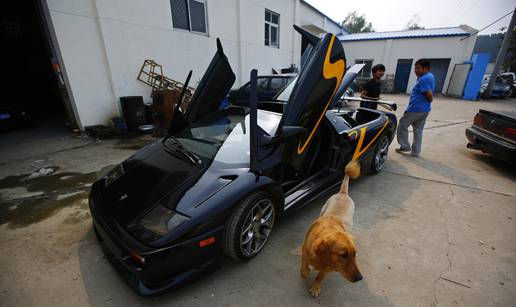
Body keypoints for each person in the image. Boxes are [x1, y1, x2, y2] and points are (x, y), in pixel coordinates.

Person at [396, 59, 435, 157]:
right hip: (425, 109)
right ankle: (415, 152)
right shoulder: (430, 76)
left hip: (416, 109)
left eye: (418, 68)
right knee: (418, 130)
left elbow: (429, 96)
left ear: (426, 68)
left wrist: (428, 100)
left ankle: (405, 146)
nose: (415, 71)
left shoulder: (423, 79)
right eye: (415, 68)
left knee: (402, 125)